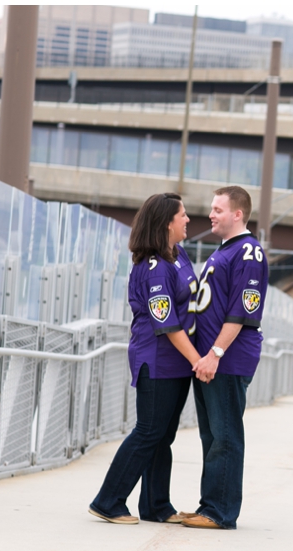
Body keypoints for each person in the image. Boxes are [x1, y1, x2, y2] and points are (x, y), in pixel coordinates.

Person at [89, 193, 204, 525]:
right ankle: (108, 500)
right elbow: (166, 324)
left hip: (179, 362)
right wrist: (198, 359)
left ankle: (156, 505)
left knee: (163, 436)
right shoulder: (154, 268)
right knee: (148, 431)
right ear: (167, 222)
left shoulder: (179, 256)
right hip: (157, 360)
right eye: (182, 215)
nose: (187, 220)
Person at [182, 186, 269, 530]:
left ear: (237, 214)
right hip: (209, 360)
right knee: (211, 436)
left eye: (218, 209)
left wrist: (216, 353)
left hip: (226, 361)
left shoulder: (249, 252)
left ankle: (221, 511)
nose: (211, 215)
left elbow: (241, 312)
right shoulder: (226, 250)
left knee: (226, 435)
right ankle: (209, 504)